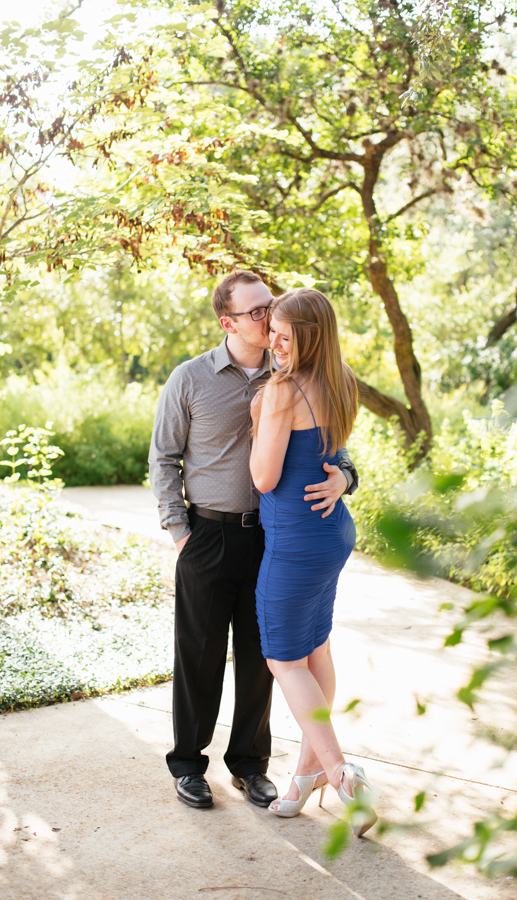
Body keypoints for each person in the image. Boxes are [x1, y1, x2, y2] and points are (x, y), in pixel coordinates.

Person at [149, 270, 359, 810]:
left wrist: (346, 477)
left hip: (271, 537)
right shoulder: (190, 379)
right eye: (256, 312)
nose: (269, 318)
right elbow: (163, 459)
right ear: (228, 322)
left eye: (270, 306)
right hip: (208, 533)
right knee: (198, 653)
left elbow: (333, 445)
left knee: (261, 657)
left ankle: (249, 765)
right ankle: (189, 766)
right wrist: (179, 534)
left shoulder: (294, 368)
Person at [250, 288, 377, 837]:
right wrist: (344, 477)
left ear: (311, 337)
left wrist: (260, 414)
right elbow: (335, 454)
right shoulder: (341, 379)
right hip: (331, 534)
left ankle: (342, 776)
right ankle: (306, 775)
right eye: (270, 333)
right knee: (315, 648)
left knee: (283, 659)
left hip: (295, 539)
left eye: (284, 336)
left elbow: (263, 477)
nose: (273, 345)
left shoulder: (280, 392)